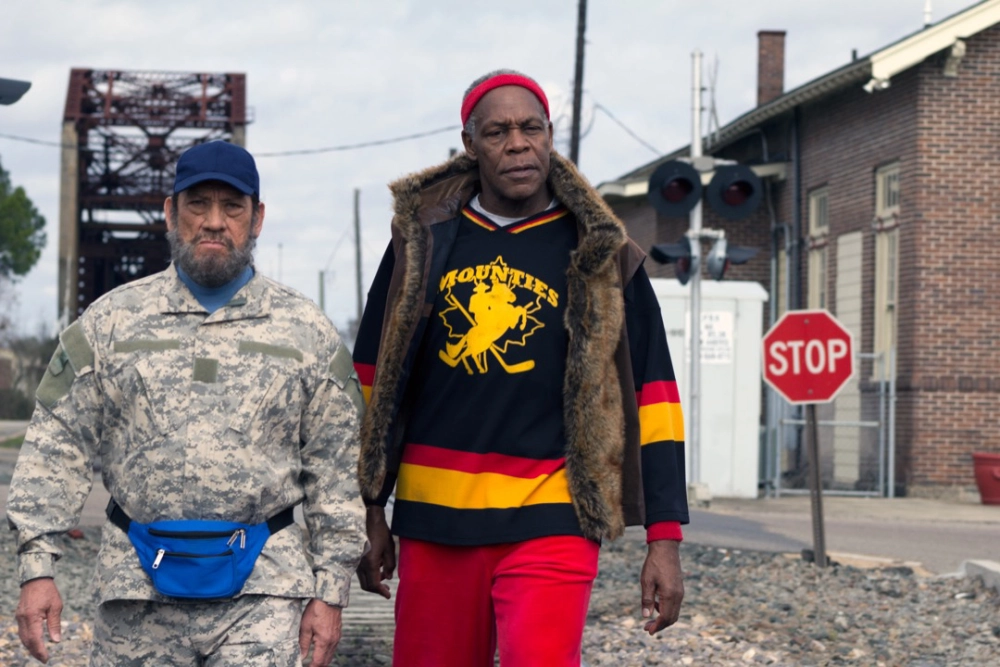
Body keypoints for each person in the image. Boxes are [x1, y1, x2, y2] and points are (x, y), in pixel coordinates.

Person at [353, 69, 689, 667]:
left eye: (531, 128)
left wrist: (664, 538)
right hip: (434, 520)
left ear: (550, 136)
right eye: (497, 132)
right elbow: (371, 382)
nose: (517, 143)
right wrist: (370, 509)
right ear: (469, 144)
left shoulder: (603, 254)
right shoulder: (422, 241)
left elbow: (655, 396)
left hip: (552, 514)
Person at [6, 140, 367, 666]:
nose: (215, 221)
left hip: (263, 594)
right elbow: (55, 445)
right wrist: (37, 568)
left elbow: (336, 469)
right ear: (171, 213)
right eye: (198, 204)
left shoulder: (305, 332)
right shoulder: (109, 324)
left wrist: (331, 590)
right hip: (137, 594)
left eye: (233, 207)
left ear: (257, 218)